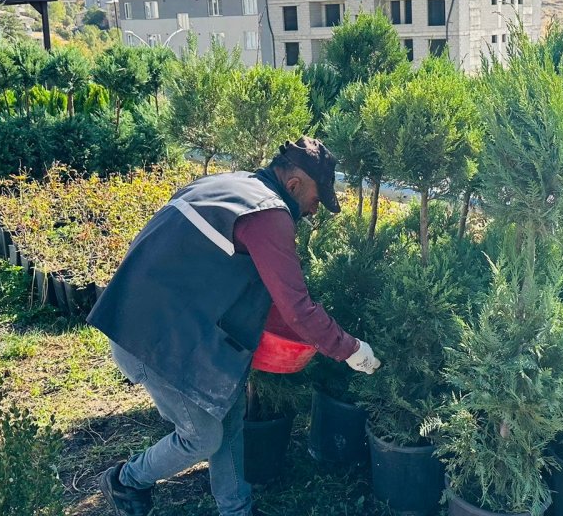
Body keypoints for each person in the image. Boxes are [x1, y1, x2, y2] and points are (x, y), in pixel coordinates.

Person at [87, 136, 381, 516]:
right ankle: (126, 480)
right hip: (150, 341)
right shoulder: (269, 215)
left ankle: (236, 509)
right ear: (293, 184)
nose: (314, 210)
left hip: (146, 321)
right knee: (202, 437)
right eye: (316, 199)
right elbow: (297, 308)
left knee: (228, 413)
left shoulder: (231, 186)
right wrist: (351, 349)